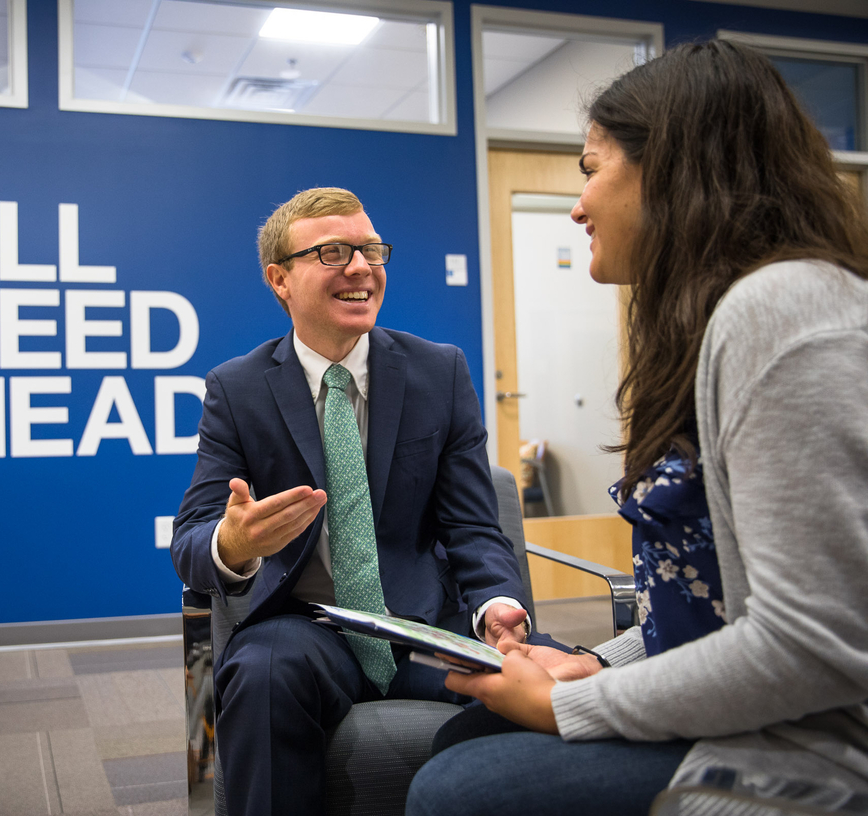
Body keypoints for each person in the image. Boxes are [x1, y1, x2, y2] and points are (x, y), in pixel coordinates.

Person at [406, 40, 868, 816]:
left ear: (677, 169)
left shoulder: (783, 311)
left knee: (458, 792)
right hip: (754, 711)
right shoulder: (715, 320)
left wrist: (568, 705)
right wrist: (596, 662)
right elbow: (706, 605)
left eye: (591, 168)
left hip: (811, 745)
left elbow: (815, 647)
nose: (578, 203)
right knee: (466, 738)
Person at [171, 187, 546, 816]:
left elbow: (476, 528)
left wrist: (498, 607)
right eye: (333, 252)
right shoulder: (237, 391)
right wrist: (234, 545)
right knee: (260, 673)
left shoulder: (440, 372)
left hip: (428, 625)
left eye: (371, 250)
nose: (361, 267)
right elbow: (192, 542)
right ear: (280, 279)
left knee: (564, 685)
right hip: (309, 629)